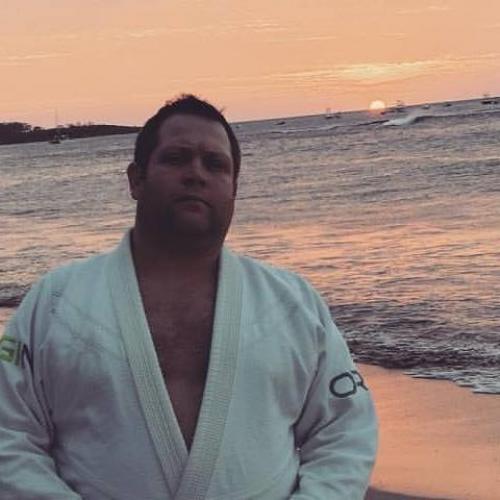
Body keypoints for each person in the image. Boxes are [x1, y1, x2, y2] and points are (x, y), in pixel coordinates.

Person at [0, 94, 378, 499]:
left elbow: (344, 429)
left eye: (215, 164)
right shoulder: (58, 301)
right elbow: (10, 433)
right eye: (176, 158)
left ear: (233, 188)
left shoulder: (292, 303)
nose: (196, 174)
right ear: (136, 179)